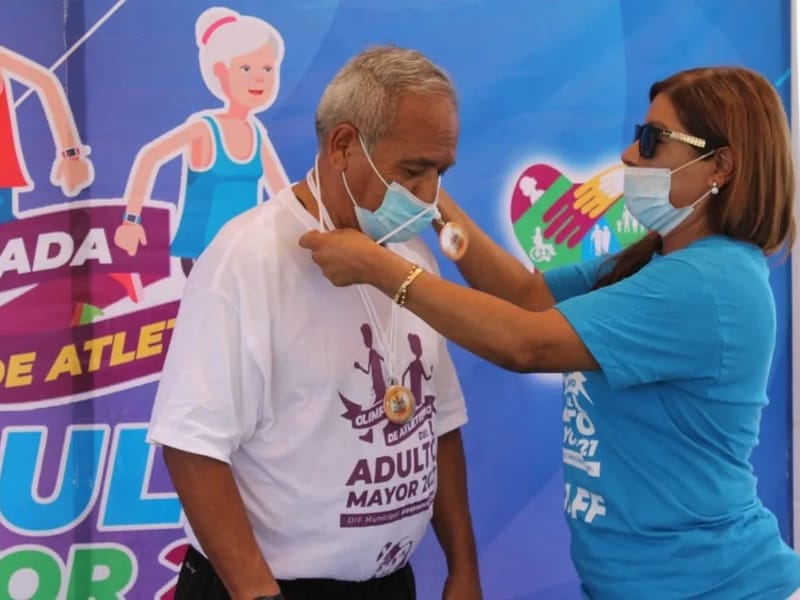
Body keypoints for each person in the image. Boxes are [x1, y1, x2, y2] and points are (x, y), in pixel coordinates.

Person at [301, 66, 800, 599]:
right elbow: (523, 293)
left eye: (653, 141)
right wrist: (426, 196)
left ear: (719, 165)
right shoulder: (658, 260)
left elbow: (526, 341)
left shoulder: (708, 283)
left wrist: (381, 270)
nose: (630, 155)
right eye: (638, 135)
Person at [148, 45, 481, 600]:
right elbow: (191, 448)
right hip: (264, 587)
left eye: (440, 173)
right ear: (344, 146)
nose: (430, 197)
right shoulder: (247, 258)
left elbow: (437, 423)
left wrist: (463, 570)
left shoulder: (413, 259)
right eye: (414, 171)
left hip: (389, 584)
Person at [114, 7, 290, 277]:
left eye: (267, 68)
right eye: (246, 67)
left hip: (245, 253)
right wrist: (131, 221)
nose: (259, 77)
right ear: (221, 71)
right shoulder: (204, 129)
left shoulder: (256, 132)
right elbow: (150, 157)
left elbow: (281, 192)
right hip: (204, 255)